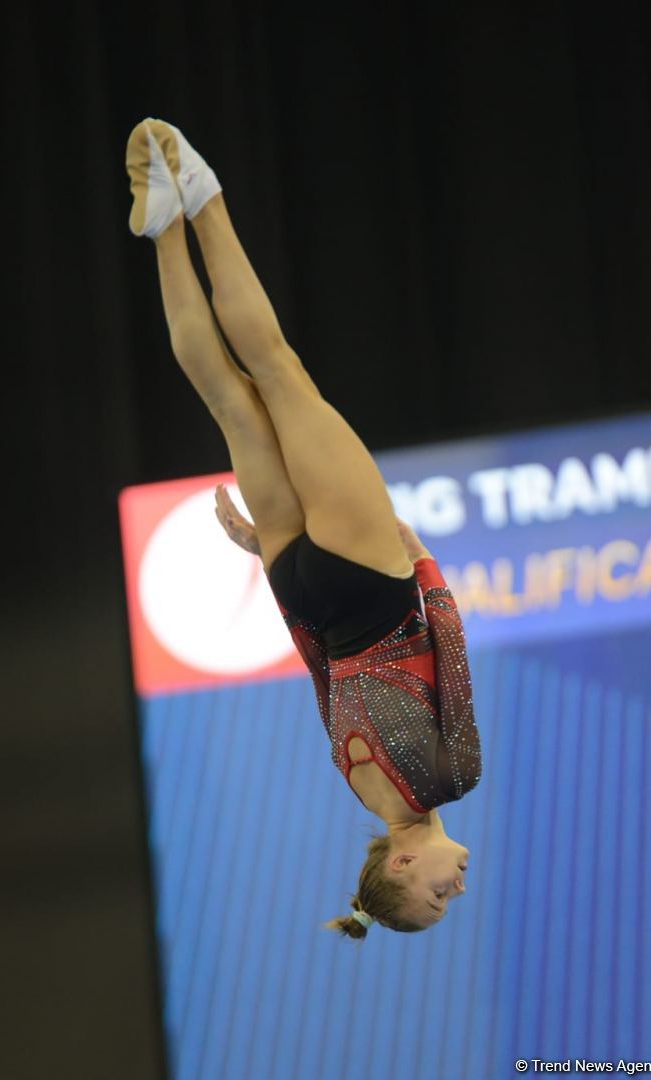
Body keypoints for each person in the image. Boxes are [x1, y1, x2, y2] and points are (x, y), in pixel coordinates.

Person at [126, 118, 482, 939]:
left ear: (398, 867)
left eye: (432, 897)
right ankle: (163, 230)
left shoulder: (453, 778)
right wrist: (267, 557)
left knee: (278, 372)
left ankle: (204, 198)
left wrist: (420, 559)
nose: (453, 890)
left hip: (374, 584)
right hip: (308, 593)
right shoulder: (356, 783)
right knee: (225, 395)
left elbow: (451, 645)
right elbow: (321, 673)